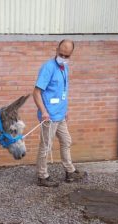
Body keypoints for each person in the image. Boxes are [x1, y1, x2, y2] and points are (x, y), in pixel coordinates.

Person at [33, 39, 84, 187]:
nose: (63, 57)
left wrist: (65, 110)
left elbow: (62, 91)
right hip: (49, 116)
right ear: (56, 50)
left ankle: (70, 172)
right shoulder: (48, 68)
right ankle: (42, 177)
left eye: (67, 55)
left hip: (60, 115)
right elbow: (36, 93)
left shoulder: (64, 68)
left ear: (71, 54)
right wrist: (43, 111)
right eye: (61, 54)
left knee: (66, 141)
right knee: (46, 146)